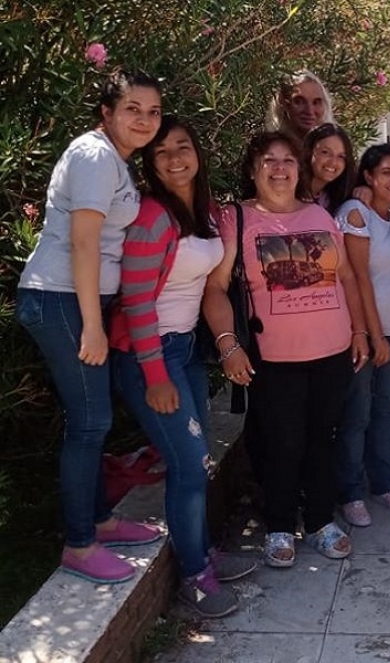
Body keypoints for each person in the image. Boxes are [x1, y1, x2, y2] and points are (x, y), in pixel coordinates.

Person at [15, 70, 164, 584]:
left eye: (152, 111)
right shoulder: (96, 156)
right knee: (88, 423)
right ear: (107, 113)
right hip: (61, 300)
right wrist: (93, 327)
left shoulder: (113, 161)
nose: (144, 120)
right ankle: (79, 543)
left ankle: (100, 520)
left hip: (76, 300)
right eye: (132, 109)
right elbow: (83, 243)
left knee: (92, 420)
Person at [109, 116, 257, 616]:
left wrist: (229, 343)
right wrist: (154, 376)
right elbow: (135, 302)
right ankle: (194, 578)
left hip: (186, 350)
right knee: (190, 465)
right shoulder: (153, 216)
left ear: (198, 152)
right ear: (149, 164)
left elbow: (212, 290)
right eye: (161, 152)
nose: (175, 158)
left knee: (197, 463)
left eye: (182, 147)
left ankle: (202, 554)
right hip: (148, 354)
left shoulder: (208, 215)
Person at [202, 131, 369, 568]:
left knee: (321, 439)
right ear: (253, 170)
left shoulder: (319, 214)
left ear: (299, 168)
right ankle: (278, 525)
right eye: (268, 160)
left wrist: (359, 333)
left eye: (287, 160)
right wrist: (227, 346)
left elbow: (347, 276)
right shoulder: (235, 218)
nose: (279, 168)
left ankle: (318, 521)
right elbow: (215, 288)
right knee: (281, 444)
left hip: (332, 352)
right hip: (274, 359)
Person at [334, 144, 390, 527]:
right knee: (356, 414)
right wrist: (371, 334)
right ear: (368, 177)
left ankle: (384, 483)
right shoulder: (356, 213)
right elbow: (358, 277)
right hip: (366, 333)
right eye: (385, 172)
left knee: (385, 410)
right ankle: (350, 492)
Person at [264, 70, 335, 148]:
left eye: (316, 102)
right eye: (299, 102)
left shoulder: (334, 152)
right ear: (283, 103)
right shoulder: (270, 151)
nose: (309, 111)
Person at [303, 122, 356, 214]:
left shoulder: (333, 197)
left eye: (341, 156)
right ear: (309, 151)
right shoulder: (290, 192)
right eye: (325, 152)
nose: (333, 162)